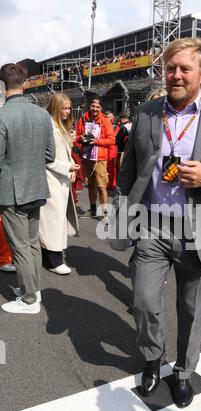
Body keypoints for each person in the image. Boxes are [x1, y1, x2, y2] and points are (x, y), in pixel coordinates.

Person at [110, 37, 201, 408]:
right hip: (152, 226)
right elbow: (127, 172)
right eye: (170, 67)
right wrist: (119, 216)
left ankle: (183, 372)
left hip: (200, 227)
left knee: (191, 310)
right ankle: (152, 357)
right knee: (144, 301)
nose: (175, 75)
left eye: (184, 69)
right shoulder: (146, 113)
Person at [0, 63, 55, 314]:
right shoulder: (42, 114)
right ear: (25, 83)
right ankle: (33, 289)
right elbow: (50, 154)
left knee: (20, 245)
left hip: (12, 191)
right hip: (36, 186)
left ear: (3, 86)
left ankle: (30, 299)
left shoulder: (2, 116)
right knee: (32, 242)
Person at [39, 93, 79, 275]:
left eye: (69, 108)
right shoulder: (49, 126)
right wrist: (68, 166)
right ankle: (54, 260)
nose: (68, 111)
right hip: (51, 179)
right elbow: (47, 158)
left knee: (55, 220)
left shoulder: (59, 125)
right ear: (56, 107)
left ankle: (51, 258)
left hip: (60, 179)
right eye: (64, 108)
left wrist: (69, 167)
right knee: (52, 221)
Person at [76, 97, 115, 218]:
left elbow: (111, 140)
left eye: (97, 107)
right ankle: (92, 209)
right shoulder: (83, 119)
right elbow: (77, 136)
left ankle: (105, 213)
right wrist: (80, 139)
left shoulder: (105, 121)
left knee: (101, 187)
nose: (95, 109)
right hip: (86, 157)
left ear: (101, 109)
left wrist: (97, 141)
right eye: (93, 106)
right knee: (91, 186)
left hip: (99, 159)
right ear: (89, 106)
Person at [104, 110, 120, 191]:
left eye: (109, 117)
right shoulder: (103, 126)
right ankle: (106, 182)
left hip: (112, 148)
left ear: (112, 119)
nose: (107, 118)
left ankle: (112, 184)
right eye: (106, 117)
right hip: (104, 148)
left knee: (111, 166)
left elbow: (114, 137)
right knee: (105, 166)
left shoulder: (115, 127)